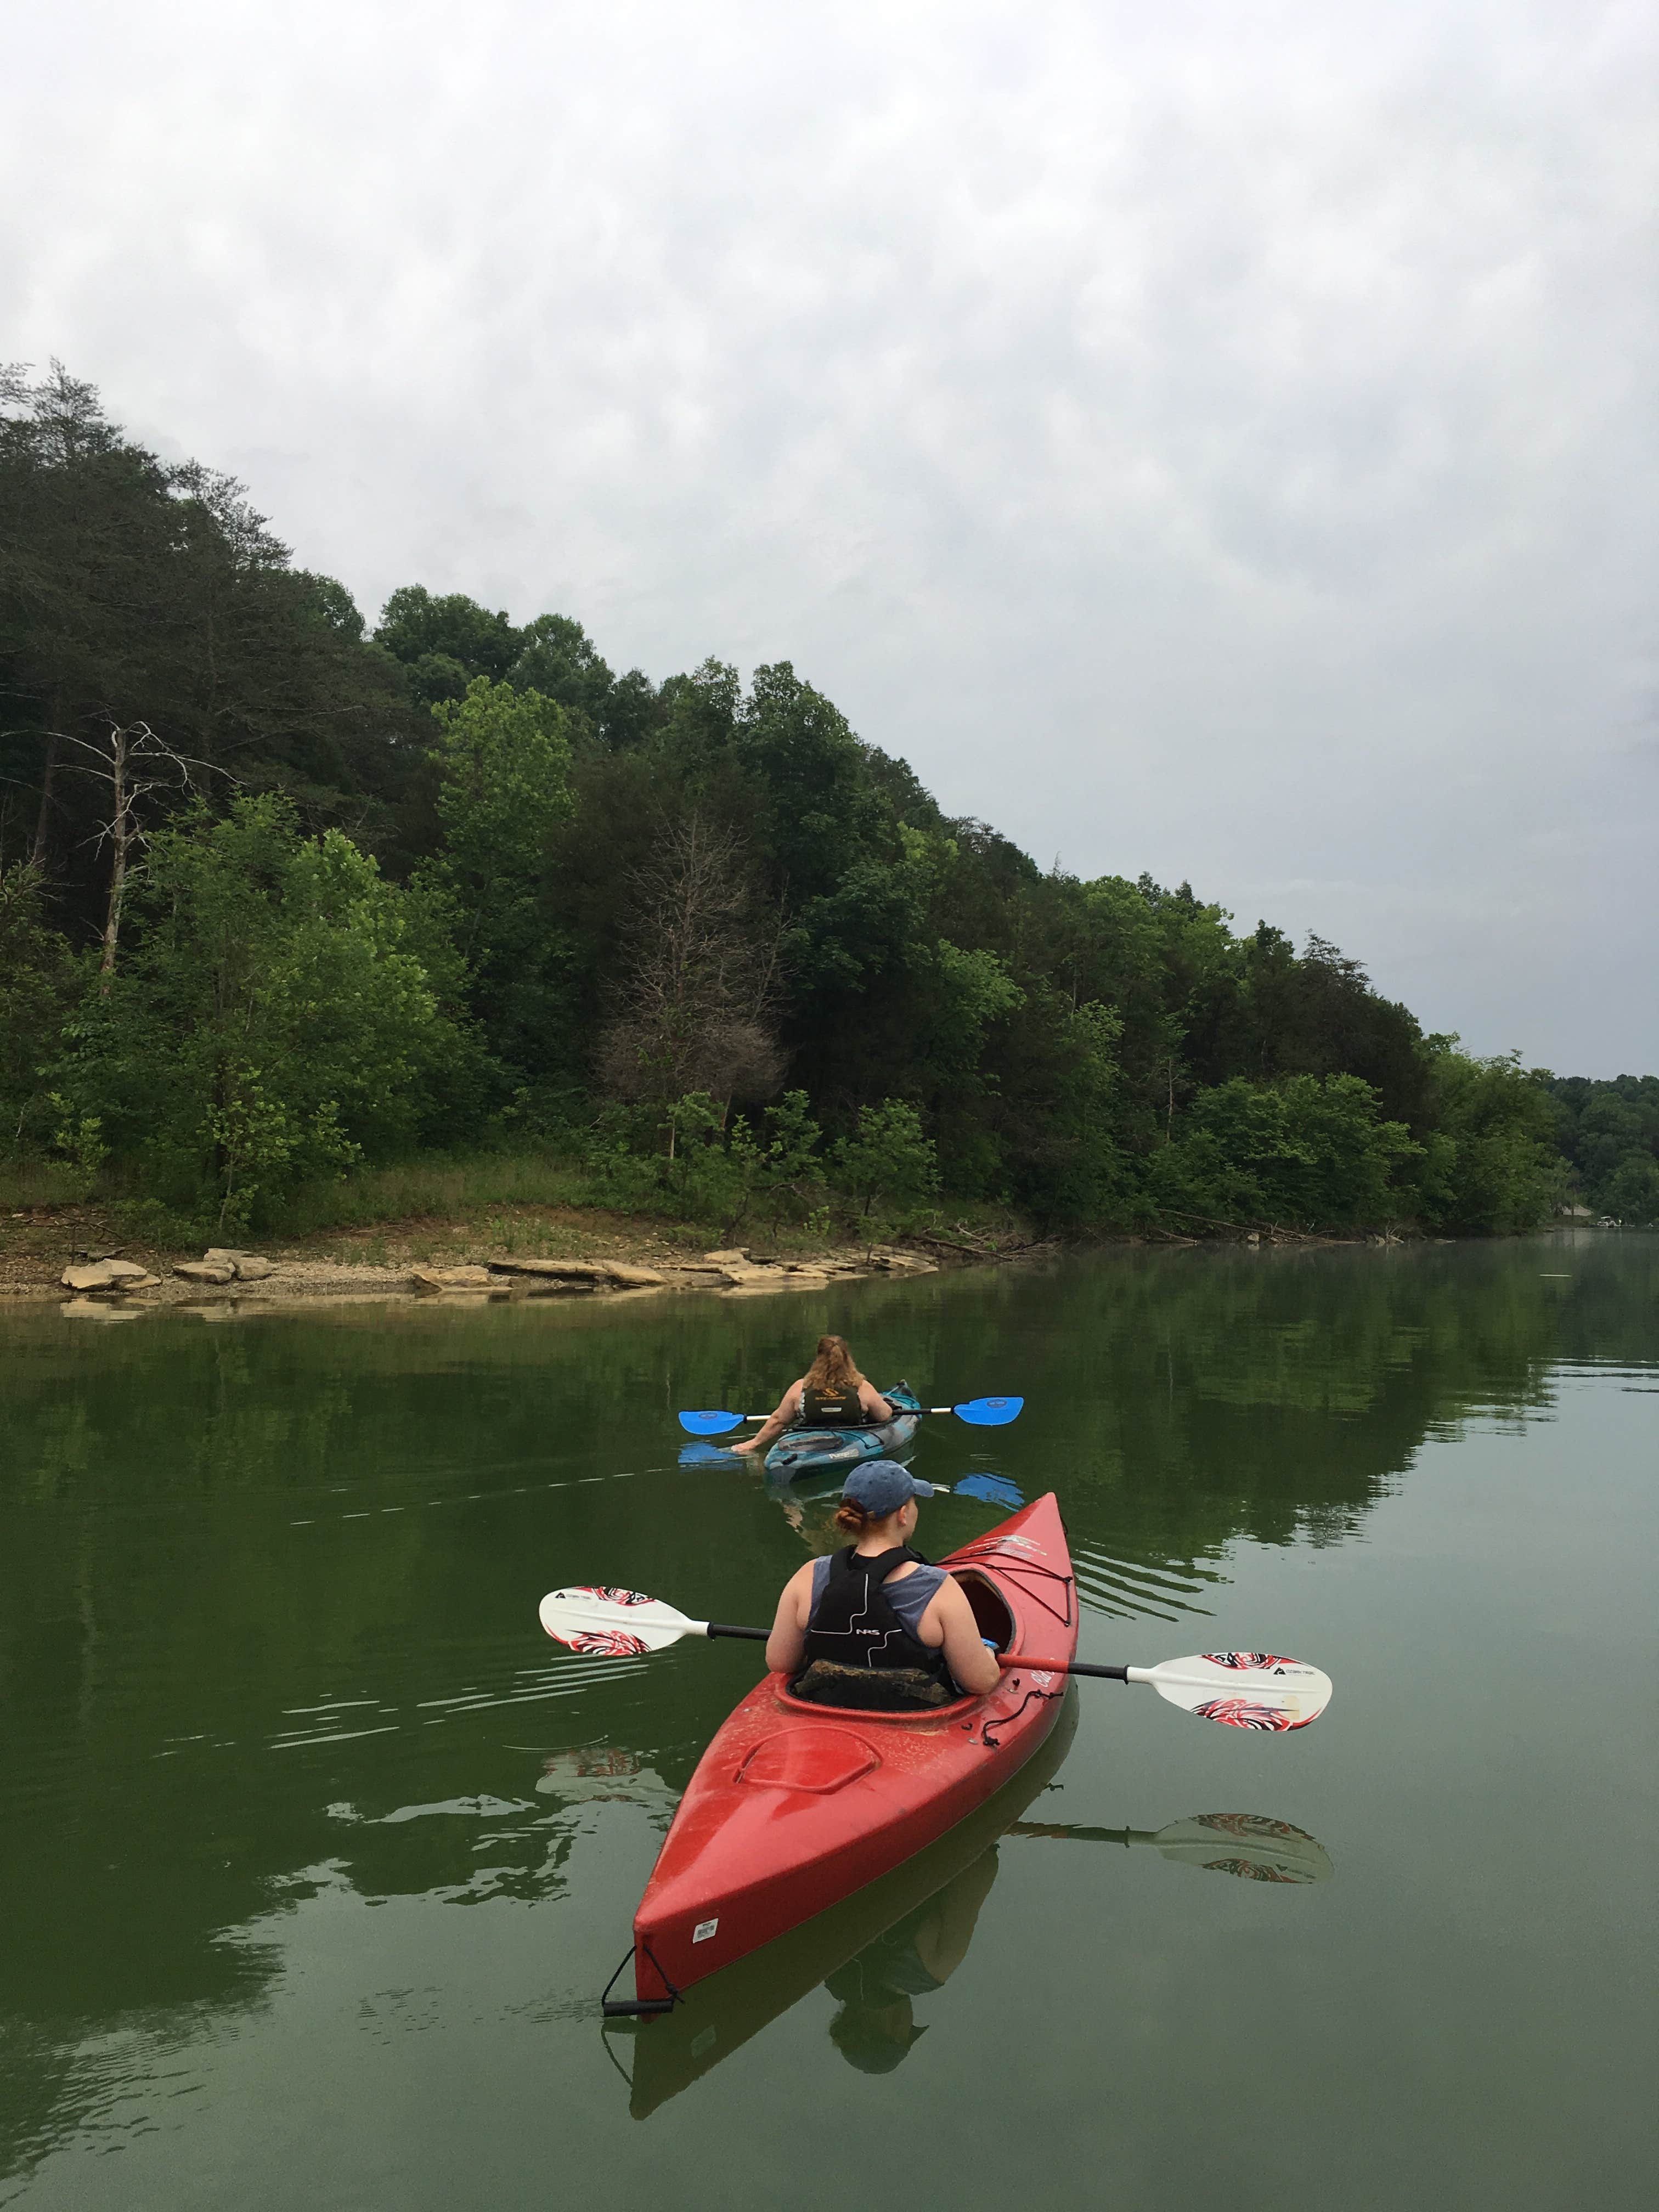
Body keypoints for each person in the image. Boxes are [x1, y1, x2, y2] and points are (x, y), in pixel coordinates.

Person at [764, 1461, 1004, 1708]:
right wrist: (987, 1653)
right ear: (902, 1514)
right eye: (913, 1503)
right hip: (912, 1718)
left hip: (827, 1710)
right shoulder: (937, 1587)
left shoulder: (808, 1575)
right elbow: (980, 1681)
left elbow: (781, 1662)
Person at [729, 1334, 894, 1458]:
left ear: (818, 1358)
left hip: (807, 1442)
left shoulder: (800, 1387)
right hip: (852, 1442)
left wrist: (753, 1443)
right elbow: (885, 1415)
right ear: (847, 1358)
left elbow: (778, 1420)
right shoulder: (862, 1388)